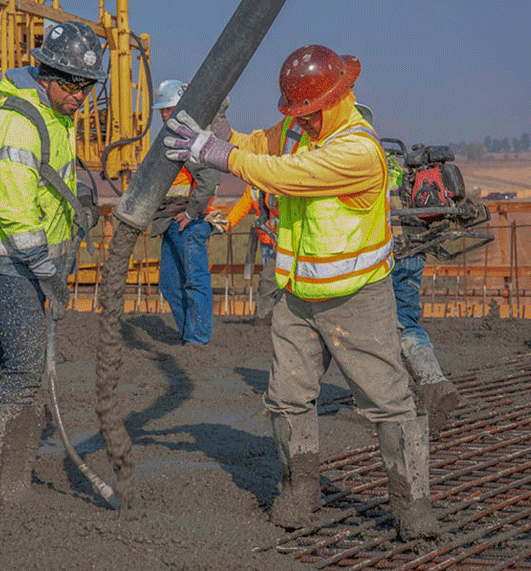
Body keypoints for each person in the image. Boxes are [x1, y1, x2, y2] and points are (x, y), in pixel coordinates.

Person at [162, 45, 438, 540]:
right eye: (297, 114)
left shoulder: (358, 150)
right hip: (296, 296)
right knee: (286, 396)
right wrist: (216, 127)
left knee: (388, 401)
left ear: (339, 97)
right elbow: (257, 144)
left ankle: (412, 506)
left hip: (356, 297)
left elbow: (288, 176)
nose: (303, 123)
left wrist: (221, 156)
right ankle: (299, 489)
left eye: (310, 114)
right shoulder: (294, 130)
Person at [0, 21, 104, 503]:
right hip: (13, 264)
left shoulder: (56, 119)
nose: (81, 95)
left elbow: (47, 179)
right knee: (22, 368)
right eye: (74, 85)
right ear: (47, 74)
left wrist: (77, 197)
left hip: (16, 265)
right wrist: (48, 275)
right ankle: (11, 481)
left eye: (89, 86)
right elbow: (18, 212)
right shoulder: (18, 121)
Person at [355, 104, 461, 434]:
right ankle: (432, 380)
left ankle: (381, 401)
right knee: (406, 319)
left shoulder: (352, 161)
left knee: (368, 327)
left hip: (378, 253)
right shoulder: (395, 163)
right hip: (413, 249)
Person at [150, 79, 220, 346]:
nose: (165, 115)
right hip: (170, 222)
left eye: (170, 109)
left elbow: (208, 179)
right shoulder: (170, 140)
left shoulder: (189, 140)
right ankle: (187, 336)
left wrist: (191, 214)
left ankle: (197, 341)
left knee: (194, 282)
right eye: (162, 111)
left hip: (189, 224)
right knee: (170, 285)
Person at [225, 183, 280, 321]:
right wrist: (225, 225)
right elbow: (241, 207)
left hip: (284, 242)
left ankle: (278, 317)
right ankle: (268, 318)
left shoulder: (280, 182)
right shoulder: (253, 189)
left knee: (280, 282)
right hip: (267, 240)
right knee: (270, 282)